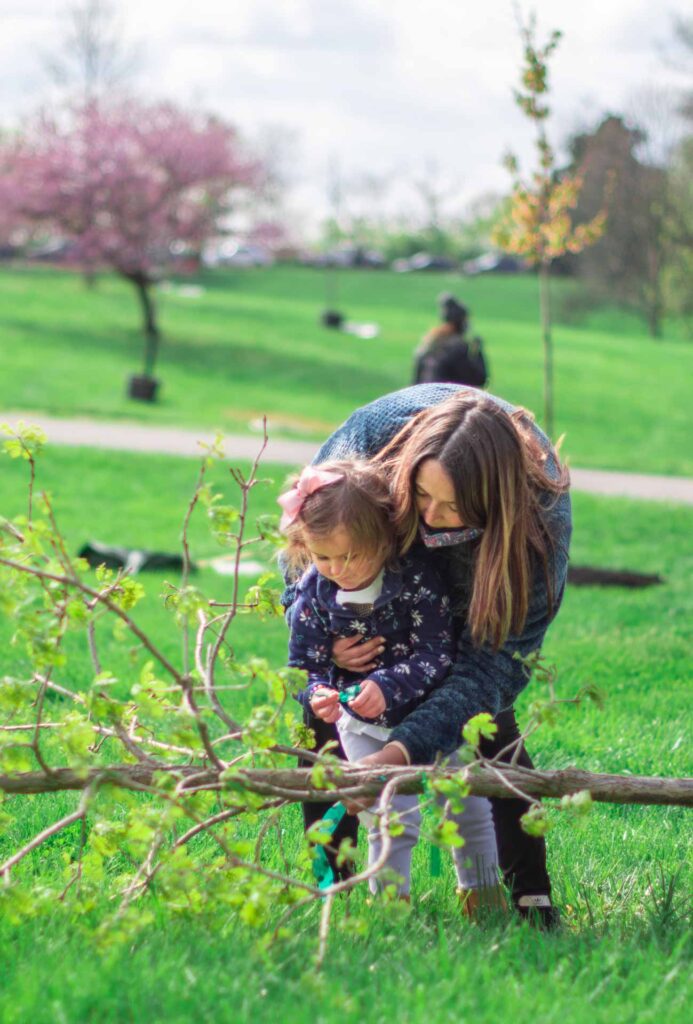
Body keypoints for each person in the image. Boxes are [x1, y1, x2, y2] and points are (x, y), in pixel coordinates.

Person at [283, 384, 571, 927]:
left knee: (489, 733)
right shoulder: (371, 442)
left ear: (493, 502)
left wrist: (397, 754)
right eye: (422, 496)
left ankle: (530, 903)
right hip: (375, 610)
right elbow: (302, 554)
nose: (433, 517)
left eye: (454, 506)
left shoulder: (541, 522)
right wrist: (330, 643)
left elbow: (495, 666)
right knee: (325, 728)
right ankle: (334, 891)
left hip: (464, 621)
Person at [278, 459, 501, 906]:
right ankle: (389, 906)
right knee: (388, 812)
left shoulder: (415, 578)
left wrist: (387, 684)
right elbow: (303, 665)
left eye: (352, 555)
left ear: (383, 536)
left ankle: (483, 897)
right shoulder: (313, 591)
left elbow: (437, 653)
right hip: (361, 726)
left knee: (469, 807)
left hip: (431, 715)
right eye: (323, 557)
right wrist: (318, 691)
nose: (338, 569)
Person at [413, 293, 488, 388]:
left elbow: (415, 381)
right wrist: (478, 352)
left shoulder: (428, 344)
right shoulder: (458, 347)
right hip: (445, 399)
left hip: (423, 398)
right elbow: (479, 379)